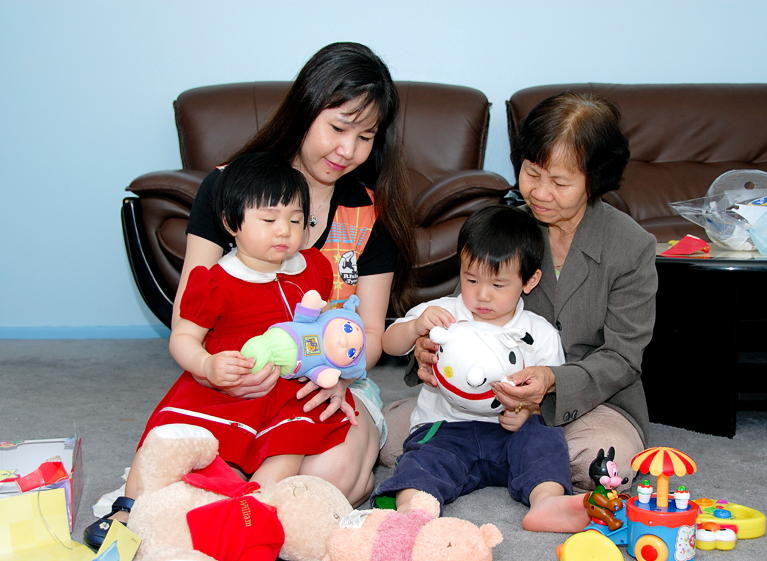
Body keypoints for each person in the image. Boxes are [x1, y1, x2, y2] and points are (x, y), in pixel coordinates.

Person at [84, 41, 415, 548]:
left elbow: (370, 333)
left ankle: (324, 486)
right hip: (238, 377)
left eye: (365, 136)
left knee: (324, 478)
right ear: (306, 110)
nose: (348, 150)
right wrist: (219, 371)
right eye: (338, 127)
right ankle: (186, 513)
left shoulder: (370, 214)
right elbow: (193, 307)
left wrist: (339, 378)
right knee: (212, 465)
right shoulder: (230, 187)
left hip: (328, 382)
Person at [398, 91, 657, 506]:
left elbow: (623, 357)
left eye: (559, 182)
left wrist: (552, 381)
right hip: (485, 403)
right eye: (532, 172)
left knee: (607, 463)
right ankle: (513, 462)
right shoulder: (508, 230)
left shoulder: (630, 246)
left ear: (596, 180)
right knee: (389, 435)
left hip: (591, 403)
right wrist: (425, 351)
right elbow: (461, 307)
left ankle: (506, 461)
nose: (539, 192)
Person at [373, 205, 589, 533]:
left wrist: (528, 411)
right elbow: (389, 343)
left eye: (499, 285)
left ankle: (546, 501)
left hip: (509, 432)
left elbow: (546, 392)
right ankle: (412, 510)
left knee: (544, 440)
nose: (482, 295)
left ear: (529, 281)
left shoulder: (539, 331)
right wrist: (415, 326)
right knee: (423, 459)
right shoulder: (442, 312)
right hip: (446, 427)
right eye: (471, 279)